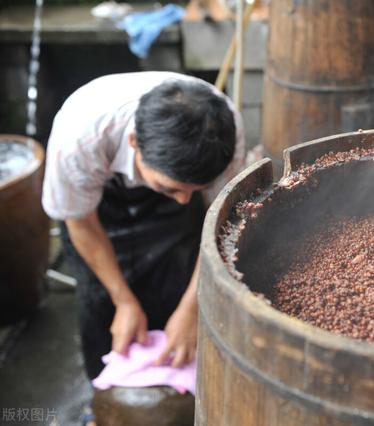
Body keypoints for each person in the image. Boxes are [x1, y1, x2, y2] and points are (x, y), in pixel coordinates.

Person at [42, 72, 245, 382]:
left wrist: (191, 309)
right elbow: (80, 221)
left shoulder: (223, 131)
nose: (183, 201)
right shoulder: (79, 137)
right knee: (99, 302)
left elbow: (221, 223)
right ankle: (102, 397)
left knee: (175, 280)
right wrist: (123, 300)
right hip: (98, 202)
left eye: (193, 190)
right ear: (134, 142)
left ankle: (176, 383)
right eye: (172, 189)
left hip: (161, 176)